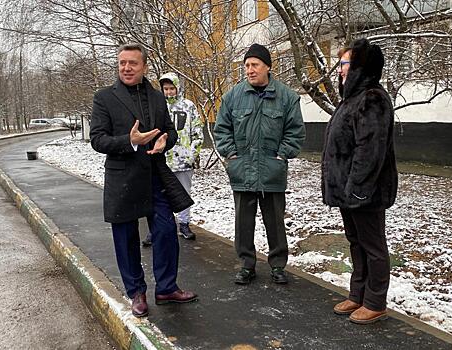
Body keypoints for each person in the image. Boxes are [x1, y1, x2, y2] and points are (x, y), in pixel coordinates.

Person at [90, 43, 198, 318]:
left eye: (132, 63)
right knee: (126, 238)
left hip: (154, 175)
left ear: (144, 66)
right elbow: (98, 139)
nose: (126, 68)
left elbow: (170, 132)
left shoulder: (157, 97)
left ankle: (166, 288)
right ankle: (136, 292)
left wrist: (165, 140)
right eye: (122, 63)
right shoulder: (105, 97)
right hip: (122, 177)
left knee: (165, 232)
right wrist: (130, 140)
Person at [214, 43, 306, 285]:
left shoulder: (287, 97)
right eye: (246, 65)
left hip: (272, 172)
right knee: (243, 223)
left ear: (268, 67)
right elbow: (222, 130)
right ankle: (246, 265)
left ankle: (277, 265)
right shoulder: (232, 97)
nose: (249, 70)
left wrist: (282, 155)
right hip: (242, 170)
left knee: (275, 222)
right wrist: (231, 155)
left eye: (254, 65)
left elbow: (295, 132)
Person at [321, 38, 398, 324]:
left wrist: (358, 189)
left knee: (373, 245)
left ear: (359, 67)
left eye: (344, 63)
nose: (340, 69)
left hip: (365, 191)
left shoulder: (373, 98)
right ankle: (358, 294)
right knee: (356, 242)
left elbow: (370, 150)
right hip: (348, 190)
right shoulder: (351, 100)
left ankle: (376, 301)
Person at [142, 72, 203, 245]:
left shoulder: (188, 106)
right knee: (158, 195)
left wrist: (192, 154)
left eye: (171, 88)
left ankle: (184, 224)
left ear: (178, 88)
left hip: (183, 160)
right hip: (161, 161)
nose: (168, 92)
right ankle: (156, 229)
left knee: (184, 192)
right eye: (165, 89)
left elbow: (197, 132)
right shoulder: (157, 106)